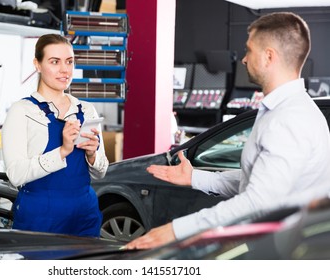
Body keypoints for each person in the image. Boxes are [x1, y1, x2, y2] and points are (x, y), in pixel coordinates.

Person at [126, 12, 330, 249]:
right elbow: (256, 180)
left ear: (268, 57)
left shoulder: (289, 119)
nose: (244, 59)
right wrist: (196, 177)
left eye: (249, 50)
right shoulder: (287, 110)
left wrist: (177, 230)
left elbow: (258, 202)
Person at [2, 34, 109, 237]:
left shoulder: (86, 110)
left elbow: (100, 172)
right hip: (40, 214)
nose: (64, 70)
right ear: (38, 64)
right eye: (54, 62)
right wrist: (63, 151)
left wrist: (93, 155)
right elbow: (15, 175)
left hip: (85, 212)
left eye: (69, 62)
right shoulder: (22, 111)